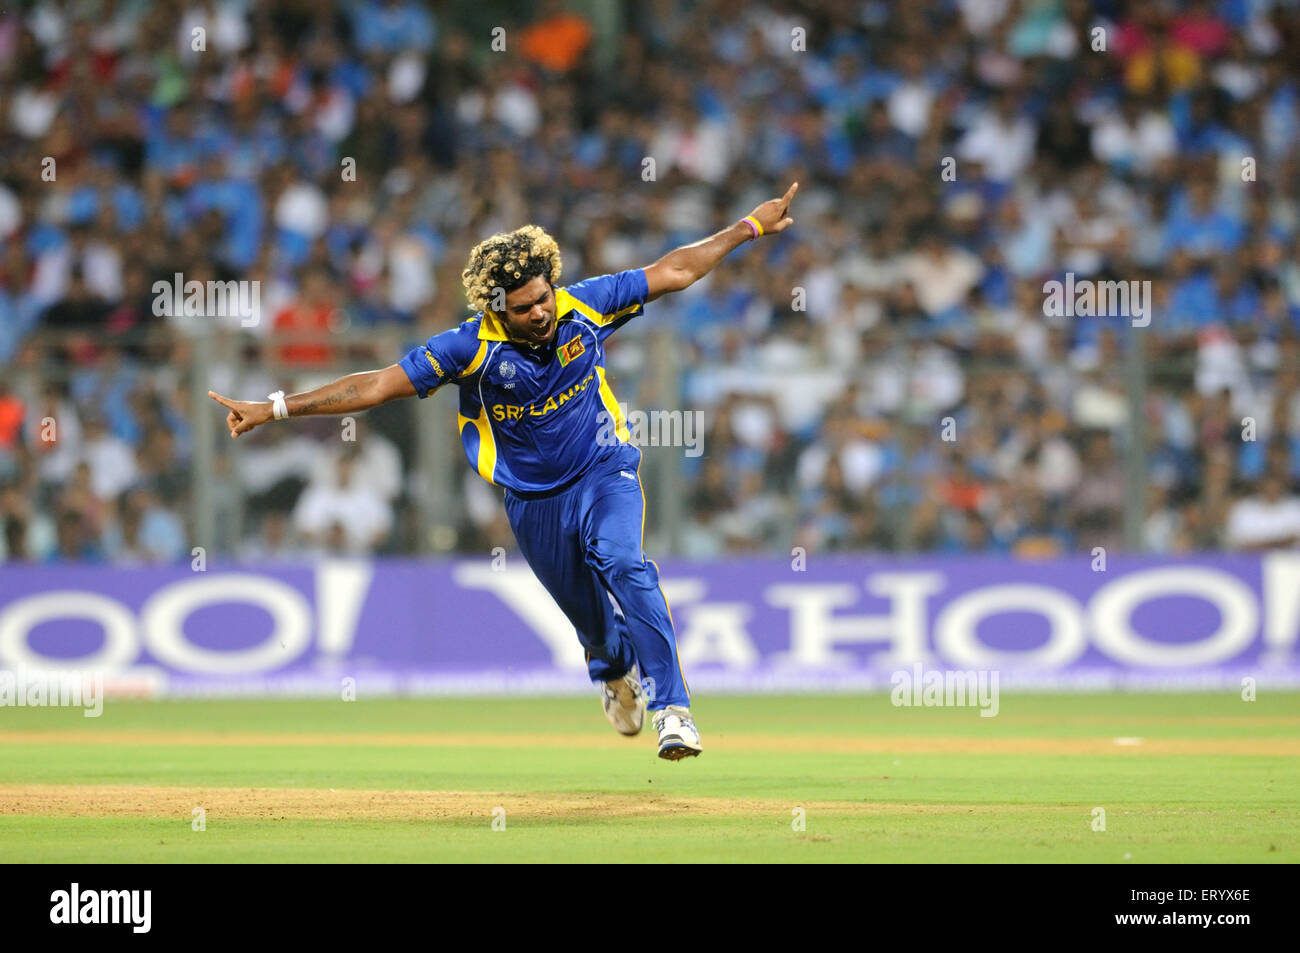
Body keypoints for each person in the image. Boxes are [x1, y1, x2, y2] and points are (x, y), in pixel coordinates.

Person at [208, 182, 799, 759]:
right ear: (497, 307)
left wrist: (748, 227)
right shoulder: (468, 349)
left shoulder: (584, 306)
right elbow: (379, 384)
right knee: (591, 623)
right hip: (533, 500)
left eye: (543, 297)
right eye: (523, 307)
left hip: (603, 469)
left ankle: (674, 710)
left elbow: (674, 271)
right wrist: (279, 407)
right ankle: (611, 669)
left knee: (624, 562)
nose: (540, 312)